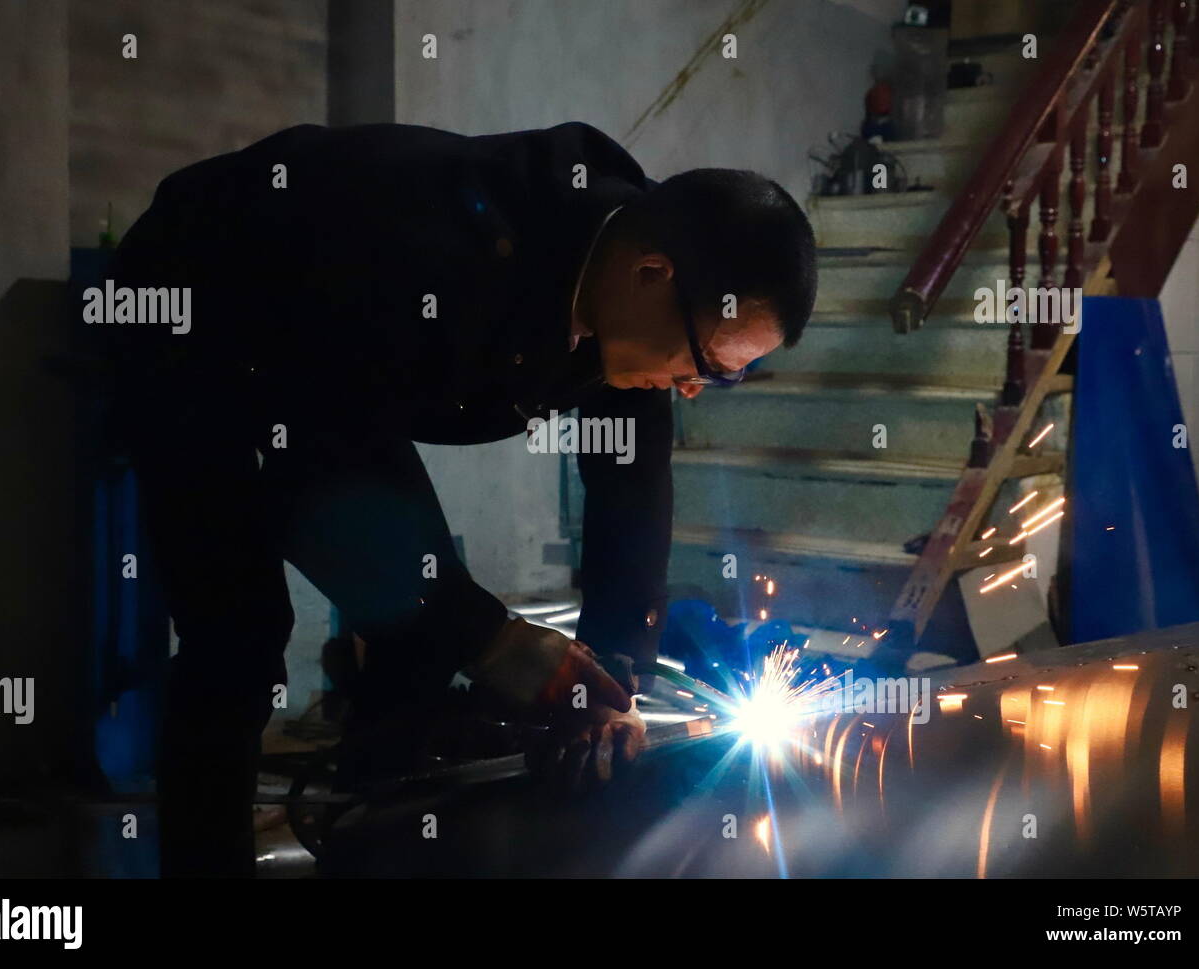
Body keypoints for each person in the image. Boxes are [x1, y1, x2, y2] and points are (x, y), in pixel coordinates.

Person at [101, 121, 817, 876]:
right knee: (239, 632)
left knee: (425, 621)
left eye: (727, 375)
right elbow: (319, 460)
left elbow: (630, 481)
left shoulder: (635, 297)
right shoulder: (441, 251)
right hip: (201, 313)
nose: (694, 385)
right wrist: (486, 634)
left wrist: (609, 673)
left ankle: (382, 838)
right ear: (651, 273)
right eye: (704, 360)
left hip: (343, 376)